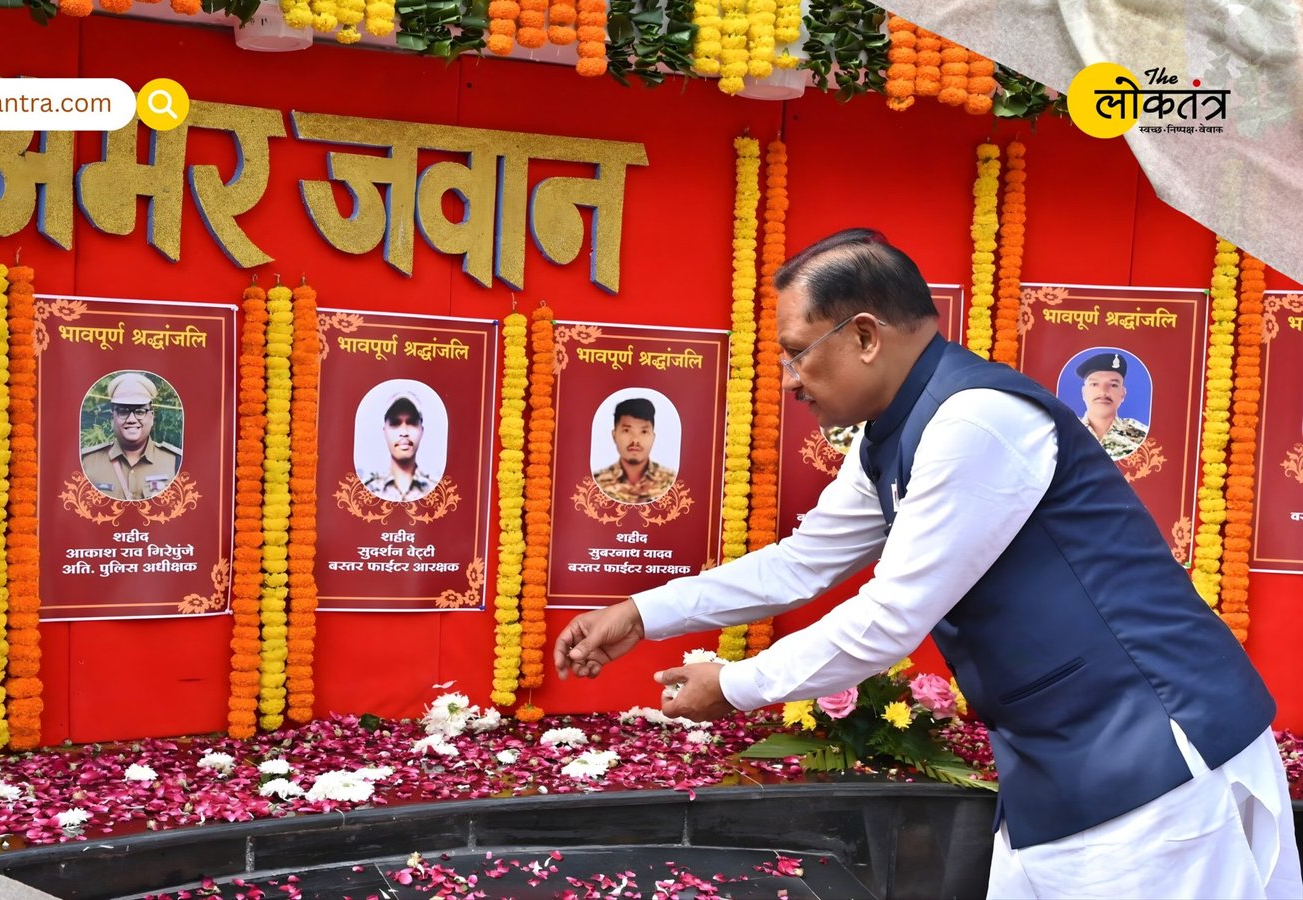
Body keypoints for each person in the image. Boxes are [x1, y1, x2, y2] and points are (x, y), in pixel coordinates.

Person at [554, 228, 1301, 899]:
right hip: (1065, 770)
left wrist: (738, 686)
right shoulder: (893, 433)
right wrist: (643, 612)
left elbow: (888, 620)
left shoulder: (975, 420)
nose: (788, 378)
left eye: (796, 351)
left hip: (1153, 762)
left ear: (867, 335)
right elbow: (801, 564)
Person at [81, 373, 181, 501]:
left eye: (140, 412)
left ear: (151, 417)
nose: (131, 420)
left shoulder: (175, 462)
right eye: (123, 411)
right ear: (112, 418)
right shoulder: (87, 463)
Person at [592, 397, 676, 504]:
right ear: (614, 435)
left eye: (644, 431)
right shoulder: (595, 483)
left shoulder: (673, 482)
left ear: (653, 437)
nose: (635, 440)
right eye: (627, 430)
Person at [359, 392, 436, 502]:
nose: (404, 432)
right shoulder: (365, 491)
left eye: (412, 422)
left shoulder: (437, 492)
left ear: (421, 431)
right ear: (384, 432)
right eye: (395, 423)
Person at [1075, 351, 1148, 460]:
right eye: (1094, 384)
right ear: (1084, 393)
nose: (1103, 392)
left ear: (1122, 393)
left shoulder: (1142, 435)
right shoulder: (1066, 431)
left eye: (1113, 385)